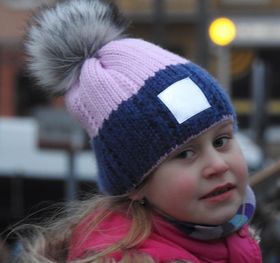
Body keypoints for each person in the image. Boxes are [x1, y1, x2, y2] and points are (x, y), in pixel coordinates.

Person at [14, 0, 262, 262]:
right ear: (134, 184)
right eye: (185, 154)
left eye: (221, 140)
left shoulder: (230, 236)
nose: (217, 164)